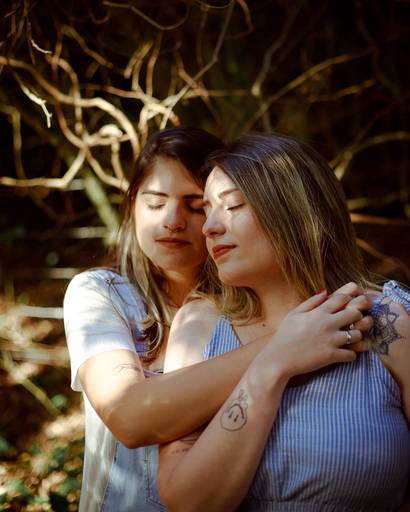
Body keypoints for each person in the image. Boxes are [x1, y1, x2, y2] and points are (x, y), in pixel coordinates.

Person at [64, 127, 372, 512]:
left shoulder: (251, 307)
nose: (173, 220)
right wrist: (285, 345)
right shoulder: (102, 294)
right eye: (155, 203)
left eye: (196, 206)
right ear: (132, 207)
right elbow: (128, 416)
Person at [158, 132, 410, 511]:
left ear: (294, 209)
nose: (208, 226)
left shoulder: (388, 320)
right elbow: (187, 502)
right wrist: (272, 365)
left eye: (233, 205)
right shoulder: (199, 327)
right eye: (207, 209)